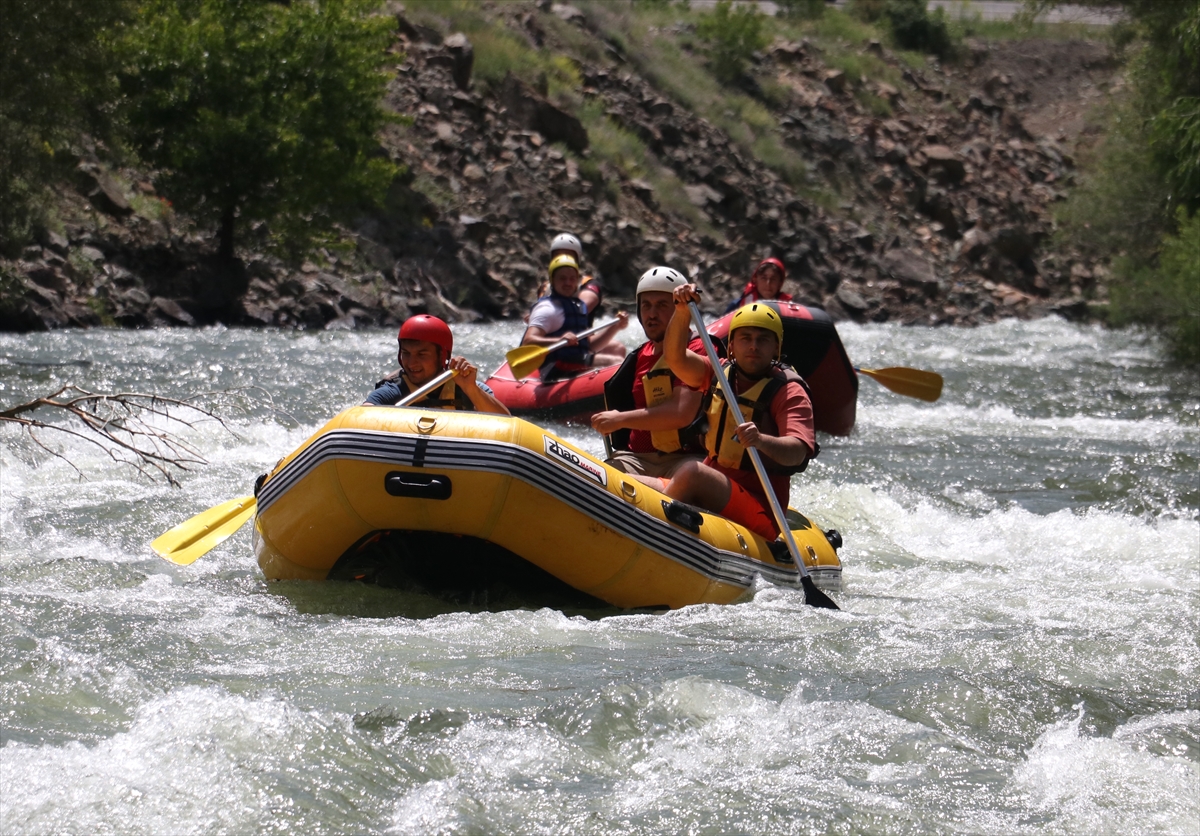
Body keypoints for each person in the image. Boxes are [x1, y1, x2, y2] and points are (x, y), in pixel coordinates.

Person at [661, 285, 817, 540]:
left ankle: (649, 531)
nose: (753, 346)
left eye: (762, 339)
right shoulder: (718, 372)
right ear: (731, 346)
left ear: (776, 349)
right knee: (643, 482)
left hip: (761, 508)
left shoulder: (789, 391)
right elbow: (675, 358)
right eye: (746, 338)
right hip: (715, 486)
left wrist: (760, 440)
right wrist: (681, 311)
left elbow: (797, 452)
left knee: (692, 472)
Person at [591, 266, 708, 484]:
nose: (651, 314)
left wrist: (619, 419)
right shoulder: (640, 355)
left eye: (662, 305)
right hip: (637, 459)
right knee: (593, 479)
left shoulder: (700, 350)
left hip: (686, 461)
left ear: (679, 309)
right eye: (646, 305)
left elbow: (681, 414)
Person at [364, 314, 510, 414]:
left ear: (442, 356)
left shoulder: (468, 388)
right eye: (406, 353)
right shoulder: (395, 390)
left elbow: (505, 422)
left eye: (422, 354)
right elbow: (363, 413)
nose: (411, 362)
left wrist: (471, 388)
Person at [521, 254, 628, 376]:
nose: (568, 283)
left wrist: (615, 327)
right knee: (616, 363)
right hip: (556, 367)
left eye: (572, 278)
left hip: (576, 362)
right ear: (552, 280)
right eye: (562, 278)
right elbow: (528, 341)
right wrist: (559, 340)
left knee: (621, 362)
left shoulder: (577, 307)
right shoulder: (547, 309)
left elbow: (589, 346)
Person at [550, 232, 605, 326]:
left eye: (569, 255)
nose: (564, 259)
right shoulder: (545, 287)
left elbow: (581, 310)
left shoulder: (589, 284)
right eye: (558, 255)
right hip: (551, 337)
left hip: (581, 337)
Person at [724, 257, 793, 313]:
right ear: (755, 280)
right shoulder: (736, 306)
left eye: (773, 279)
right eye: (764, 278)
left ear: (780, 283)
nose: (768, 283)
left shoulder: (789, 311)